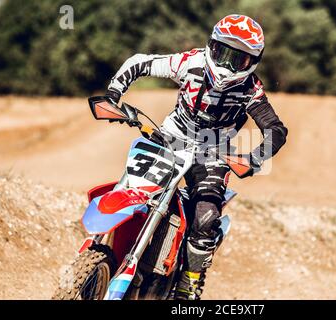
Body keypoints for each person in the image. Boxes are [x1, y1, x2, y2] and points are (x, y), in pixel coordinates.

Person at [105, 14, 288, 300]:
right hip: (169, 138)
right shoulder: (190, 62)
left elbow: (276, 129)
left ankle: (189, 283)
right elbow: (140, 61)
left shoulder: (251, 89)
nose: (226, 66)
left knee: (206, 217)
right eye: (222, 53)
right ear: (211, 45)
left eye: (236, 60)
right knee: (132, 186)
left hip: (212, 153)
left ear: (252, 62)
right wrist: (114, 93)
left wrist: (254, 158)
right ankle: (104, 244)